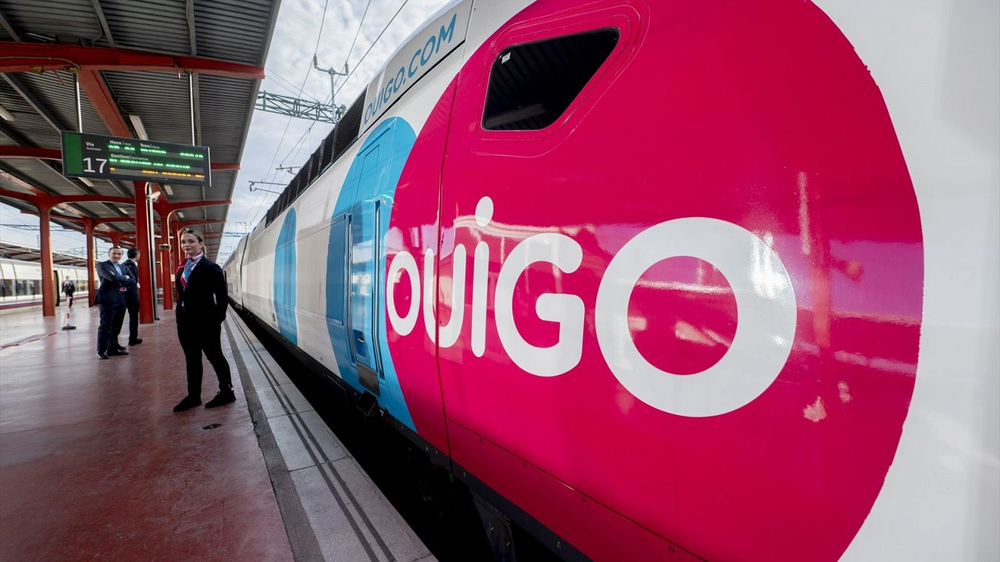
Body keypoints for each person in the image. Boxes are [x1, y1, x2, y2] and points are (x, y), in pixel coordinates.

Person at [172, 229, 235, 412]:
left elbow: (222, 297)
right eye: (184, 242)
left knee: (215, 356)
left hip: (206, 322)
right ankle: (193, 396)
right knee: (191, 359)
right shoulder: (183, 267)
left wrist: (217, 319)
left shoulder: (210, 267)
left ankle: (226, 391)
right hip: (184, 321)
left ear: (200, 244)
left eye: (191, 241)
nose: (186, 245)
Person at [95, 247, 135, 359]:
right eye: (114, 253)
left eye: (119, 254)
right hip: (107, 299)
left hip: (121, 299)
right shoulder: (102, 265)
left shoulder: (124, 267)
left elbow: (133, 280)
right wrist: (124, 277)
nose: (116, 256)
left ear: (122, 255)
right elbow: (111, 278)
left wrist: (122, 278)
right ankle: (101, 350)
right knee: (106, 325)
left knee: (117, 325)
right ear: (109, 254)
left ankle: (113, 347)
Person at [113, 248, 143, 346]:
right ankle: (132, 338)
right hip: (131, 295)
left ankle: (116, 341)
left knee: (120, 318)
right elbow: (131, 281)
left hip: (124, 295)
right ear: (137, 255)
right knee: (133, 317)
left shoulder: (123, 265)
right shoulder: (131, 265)